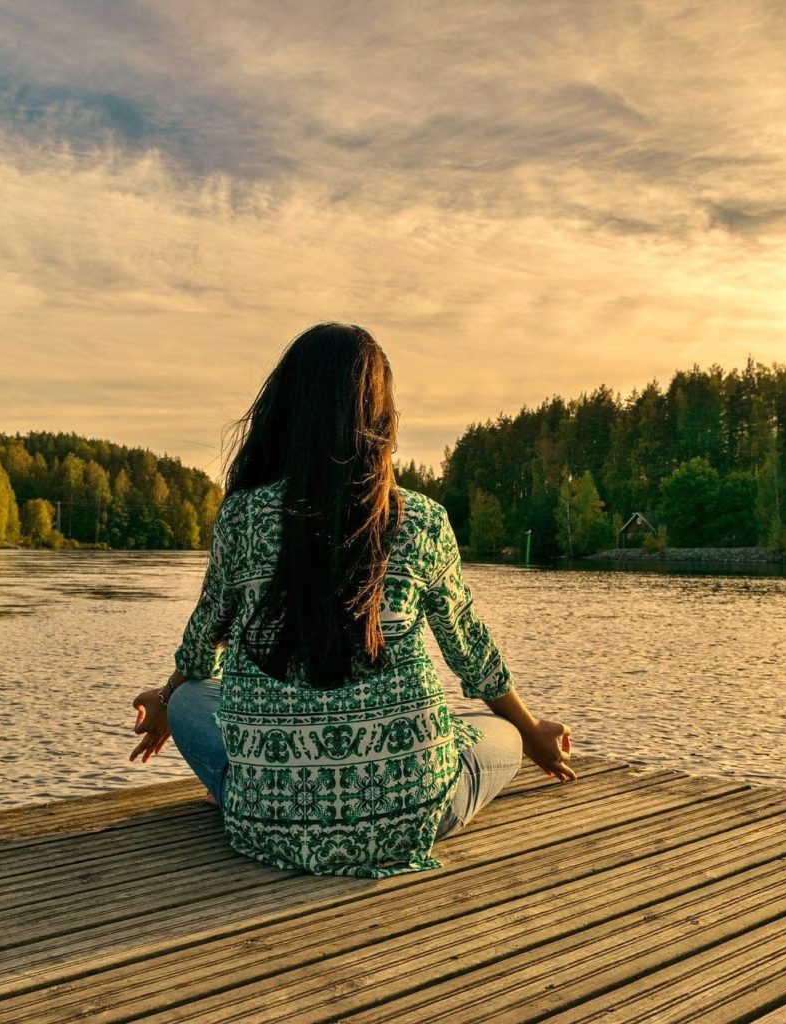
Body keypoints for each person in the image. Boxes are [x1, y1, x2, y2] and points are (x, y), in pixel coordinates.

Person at [130, 323, 575, 879]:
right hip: (409, 818)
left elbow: (202, 647)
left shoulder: (242, 516)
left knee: (194, 697)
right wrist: (532, 731)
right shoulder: (422, 520)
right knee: (501, 732)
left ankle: (263, 792)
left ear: (286, 410)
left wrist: (169, 696)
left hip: (266, 824)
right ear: (381, 418)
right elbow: (471, 654)